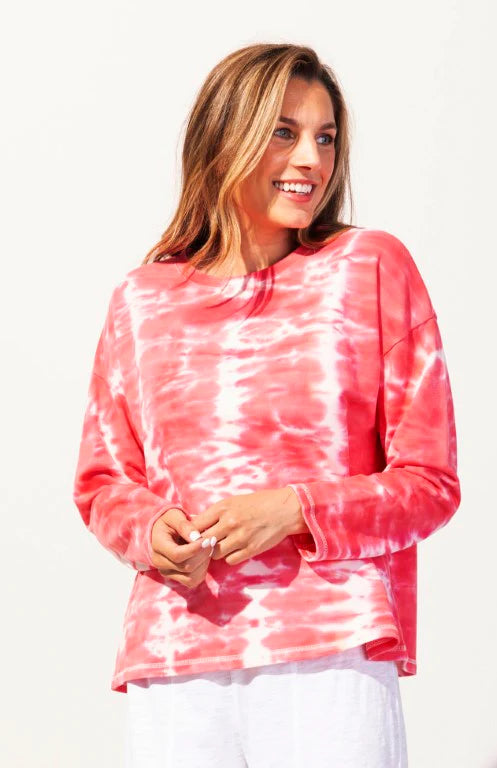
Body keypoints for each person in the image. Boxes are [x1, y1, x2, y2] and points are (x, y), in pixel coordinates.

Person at [72, 42, 461, 768]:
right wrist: (151, 530)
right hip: (175, 654)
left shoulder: (368, 268)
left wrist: (294, 510)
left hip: (331, 648)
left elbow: (430, 484)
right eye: (285, 131)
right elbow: (102, 484)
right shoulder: (141, 300)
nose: (312, 159)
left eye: (326, 137)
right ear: (224, 139)